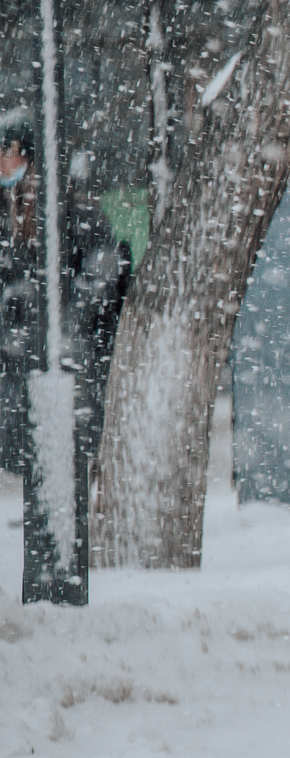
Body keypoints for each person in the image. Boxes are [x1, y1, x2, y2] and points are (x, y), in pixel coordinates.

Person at [0, 106, 131, 489]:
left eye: (7, 153)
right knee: (34, 465)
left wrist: (54, 322)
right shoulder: (6, 215)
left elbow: (100, 277)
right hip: (21, 371)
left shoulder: (73, 214)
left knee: (63, 465)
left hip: (66, 369)